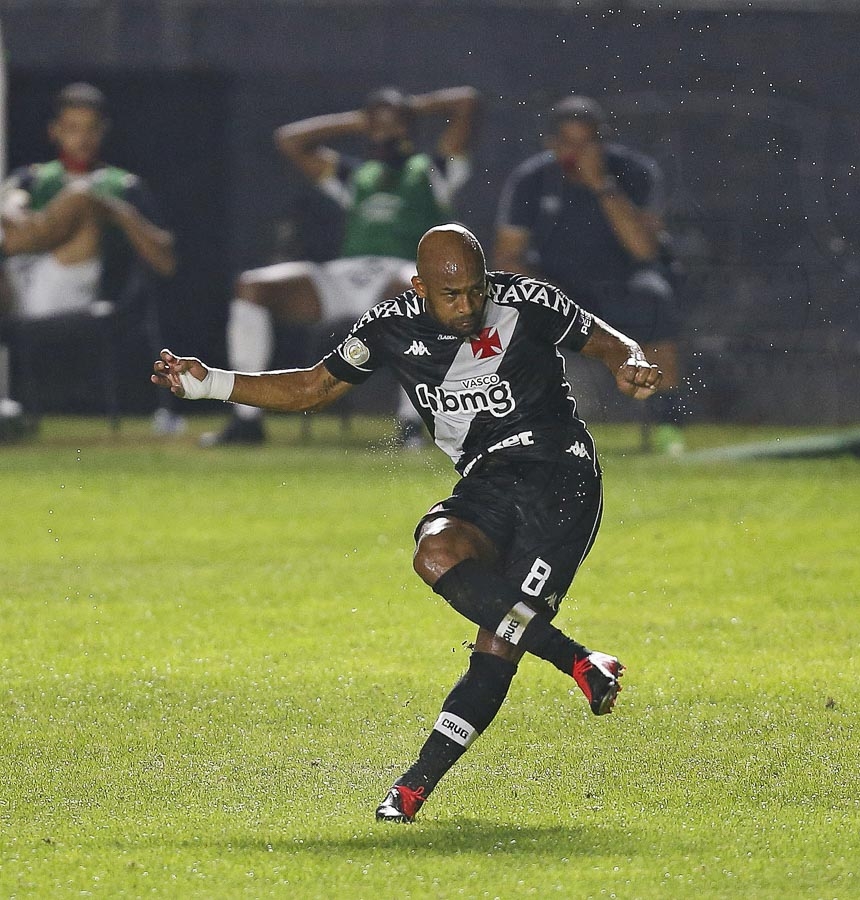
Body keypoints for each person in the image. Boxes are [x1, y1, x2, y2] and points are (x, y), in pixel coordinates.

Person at [150, 223, 663, 823]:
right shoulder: (389, 326)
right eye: (451, 295)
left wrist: (631, 363)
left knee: (499, 642)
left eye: (475, 290)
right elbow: (315, 386)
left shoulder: (527, 300)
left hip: (561, 478)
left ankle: (413, 788)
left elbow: (608, 342)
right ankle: (579, 659)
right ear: (420, 287)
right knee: (436, 555)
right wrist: (210, 382)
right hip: (488, 481)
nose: (468, 306)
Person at [202, 85, 479, 446]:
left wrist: (408, 109)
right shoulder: (355, 176)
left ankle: (411, 423)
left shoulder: (434, 171)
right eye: (376, 125)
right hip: (346, 277)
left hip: (402, 277)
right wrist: (364, 121)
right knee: (253, 286)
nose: (384, 130)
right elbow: (290, 140)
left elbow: (467, 101)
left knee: (418, 286)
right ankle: (246, 420)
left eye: (392, 124)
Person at [494, 95, 685, 454]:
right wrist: (543, 293)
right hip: (558, 288)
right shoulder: (531, 179)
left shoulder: (634, 172)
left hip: (623, 282)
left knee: (656, 297)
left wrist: (601, 185)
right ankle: (519, 425)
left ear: (603, 140)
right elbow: (507, 255)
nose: (577, 152)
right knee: (510, 309)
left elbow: (645, 249)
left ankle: (667, 423)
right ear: (550, 143)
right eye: (567, 142)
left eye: (587, 142)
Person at [0, 82, 178, 429]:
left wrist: (112, 210)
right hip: (13, 286)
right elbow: (9, 206)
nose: (81, 139)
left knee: (81, 196)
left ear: (103, 131)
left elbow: (166, 262)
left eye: (90, 129)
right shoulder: (32, 178)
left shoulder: (123, 186)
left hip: (70, 290)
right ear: (55, 131)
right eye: (72, 129)